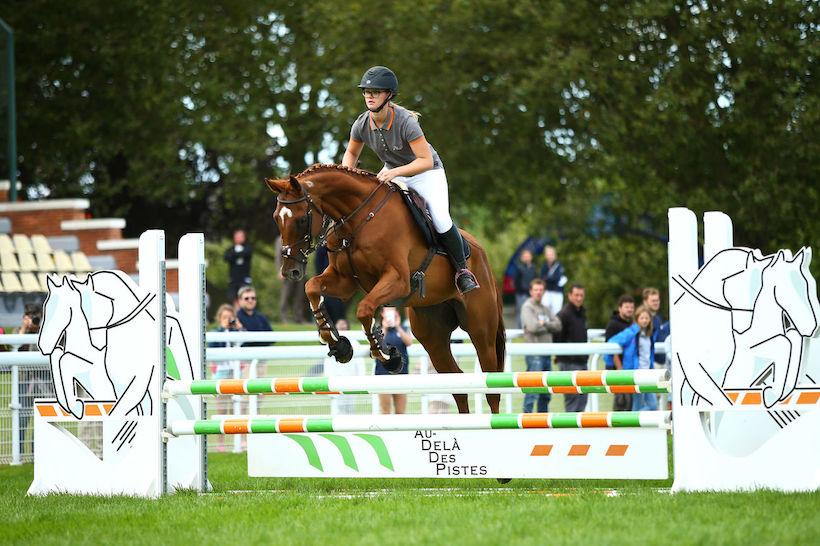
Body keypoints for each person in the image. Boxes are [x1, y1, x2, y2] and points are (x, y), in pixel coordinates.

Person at [341, 65, 478, 295]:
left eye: (375, 91)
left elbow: (424, 160)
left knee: (441, 219)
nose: (369, 96)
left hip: (426, 173)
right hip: (394, 171)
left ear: (389, 95)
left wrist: (395, 173)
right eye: (366, 91)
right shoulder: (362, 123)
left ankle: (462, 270)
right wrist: (346, 175)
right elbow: (352, 153)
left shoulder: (406, 122)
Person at [520, 279, 562, 413]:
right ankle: (527, 420)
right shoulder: (527, 307)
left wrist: (543, 324)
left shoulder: (545, 308)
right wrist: (547, 325)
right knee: (532, 391)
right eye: (536, 290)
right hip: (534, 355)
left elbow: (558, 325)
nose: (538, 292)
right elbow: (532, 327)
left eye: (541, 290)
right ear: (531, 291)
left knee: (546, 392)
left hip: (546, 354)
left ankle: (543, 421)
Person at [207, 304, 244, 451]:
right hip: (222, 371)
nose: (228, 320)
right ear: (219, 319)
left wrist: (238, 328)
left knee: (237, 407)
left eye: (230, 318)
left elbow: (244, 343)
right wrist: (224, 329)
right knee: (221, 409)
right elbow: (213, 346)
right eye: (225, 318)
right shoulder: (217, 332)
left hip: (235, 371)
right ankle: (220, 443)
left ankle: (240, 440)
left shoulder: (237, 332)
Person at [17, 302, 52, 455]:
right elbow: (14, 351)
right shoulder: (19, 332)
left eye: (36, 318)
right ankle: (17, 453)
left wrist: (41, 328)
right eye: (31, 318)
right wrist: (24, 330)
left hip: (44, 381)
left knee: (41, 420)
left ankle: (35, 453)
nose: (34, 321)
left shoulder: (48, 331)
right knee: (21, 419)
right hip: (24, 381)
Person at [609, 306, 658, 411]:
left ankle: (634, 420)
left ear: (650, 320)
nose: (644, 320)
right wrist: (619, 366)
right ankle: (634, 421)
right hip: (637, 373)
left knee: (653, 405)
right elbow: (613, 341)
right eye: (642, 318)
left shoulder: (649, 334)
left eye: (646, 318)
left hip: (648, 373)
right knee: (638, 404)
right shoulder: (631, 333)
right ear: (637, 319)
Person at [555, 284, 588, 412]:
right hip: (569, 362)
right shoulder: (563, 314)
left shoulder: (582, 312)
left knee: (582, 399)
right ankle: (570, 431)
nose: (579, 298)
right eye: (576, 295)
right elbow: (557, 338)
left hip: (581, 361)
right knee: (572, 400)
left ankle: (578, 430)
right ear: (569, 296)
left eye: (581, 295)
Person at [373, 307, 413, 414]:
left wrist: (398, 326)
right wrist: (385, 328)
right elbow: (376, 345)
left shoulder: (403, 328)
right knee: (385, 411)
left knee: (401, 412)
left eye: (393, 310)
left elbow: (409, 342)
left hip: (401, 373)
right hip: (383, 374)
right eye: (387, 311)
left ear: (396, 312)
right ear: (382, 313)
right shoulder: (378, 329)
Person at [604, 294, 636, 411]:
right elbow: (612, 350)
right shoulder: (613, 325)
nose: (629, 310)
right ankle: (617, 426)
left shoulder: (632, 324)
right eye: (627, 307)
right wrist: (620, 369)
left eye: (631, 307)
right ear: (620, 308)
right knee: (622, 401)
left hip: (629, 367)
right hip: (618, 368)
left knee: (629, 401)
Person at [223, 229, 253, 306]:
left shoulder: (248, 247)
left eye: (240, 236)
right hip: (233, 278)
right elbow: (226, 257)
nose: (238, 238)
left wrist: (235, 255)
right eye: (237, 237)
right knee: (234, 299)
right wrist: (237, 254)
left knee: (245, 297)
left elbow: (246, 254)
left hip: (244, 278)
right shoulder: (231, 249)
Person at [643, 287, 670, 365]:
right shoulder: (642, 320)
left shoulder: (657, 318)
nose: (656, 303)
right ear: (645, 302)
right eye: (653, 301)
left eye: (657, 300)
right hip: (649, 364)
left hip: (662, 362)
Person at [539, 246, 567, 315]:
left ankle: (555, 325)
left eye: (551, 254)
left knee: (556, 312)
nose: (550, 256)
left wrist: (548, 278)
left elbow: (557, 278)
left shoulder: (559, 265)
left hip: (557, 292)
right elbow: (542, 278)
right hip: (547, 292)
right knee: (544, 311)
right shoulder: (544, 266)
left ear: (555, 255)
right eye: (548, 255)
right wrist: (550, 278)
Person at [513, 249, 537, 329]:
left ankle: (530, 327)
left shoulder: (533, 268)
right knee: (520, 311)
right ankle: (520, 329)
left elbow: (535, 280)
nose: (527, 258)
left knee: (532, 311)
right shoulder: (518, 268)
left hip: (531, 294)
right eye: (525, 256)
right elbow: (516, 282)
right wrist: (521, 290)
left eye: (528, 256)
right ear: (522, 258)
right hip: (521, 294)